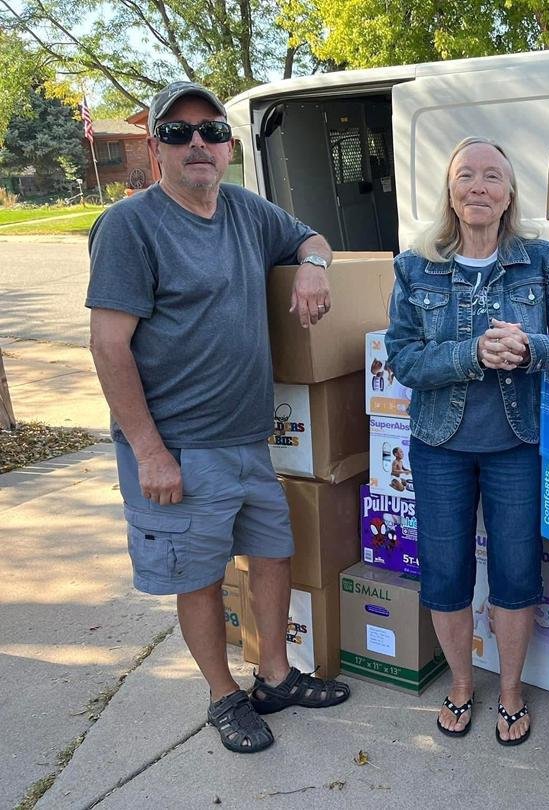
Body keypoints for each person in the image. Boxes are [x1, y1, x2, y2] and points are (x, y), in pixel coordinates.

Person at [86, 81, 350, 755]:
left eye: (210, 131)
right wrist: (148, 451)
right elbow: (109, 344)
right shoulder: (129, 226)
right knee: (198, 578)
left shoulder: (245, 211)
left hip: (247, 440)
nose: (197, 144)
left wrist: (314, 267)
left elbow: (309, 235)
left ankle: (275, 675)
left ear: (229, 147)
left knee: (272, 554)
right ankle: (222, 695)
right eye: (178, 133)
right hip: (177, 446)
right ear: (155, 149)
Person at [385, 136, 549, 745]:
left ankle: (509, 692)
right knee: (446, 574)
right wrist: (472, 355)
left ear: (509, 193)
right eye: (466, 176)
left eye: (492, 177)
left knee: (514, 575)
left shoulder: (542, 260)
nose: (478, 187)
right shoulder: (415, 264)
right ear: (450, 191)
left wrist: (534, 350)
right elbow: (403, 358)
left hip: (517, 445)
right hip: (439, 445)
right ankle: (461, 684)